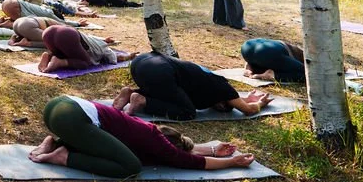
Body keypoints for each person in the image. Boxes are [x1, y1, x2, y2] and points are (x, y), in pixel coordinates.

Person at [29, 95, 257, 178]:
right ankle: (63, 156)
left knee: (104, 148)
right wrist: (231, 162)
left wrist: (213, 149)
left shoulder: (145, 131)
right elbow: (189, 161)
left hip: (60, 108)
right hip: (69, 118)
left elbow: (187, 151)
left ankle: (55, 143)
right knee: (130, 166)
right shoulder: (155, 139)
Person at [112, 52, 273, 120]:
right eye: (223, 107)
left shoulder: (212, 82)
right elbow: (248, 110)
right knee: (188, 112)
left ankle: (130, 93)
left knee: (169, 94)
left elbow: (168, 93)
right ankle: (142, 100)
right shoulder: (224, 88)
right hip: (159, 71)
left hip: (141, 62)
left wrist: (244, 98)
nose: (217, 108)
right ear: (223, 102)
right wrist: (260, 103)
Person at [34, 24, 134, 72]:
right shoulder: (105, 49)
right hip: (67, 35)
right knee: (85, 63)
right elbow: (116, 59)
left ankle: (49, 55)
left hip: (49, 31)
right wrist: (128, 57)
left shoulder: (95, 40)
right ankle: (59, 62)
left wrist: (105, 39)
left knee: (61, 53)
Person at [0, 0, 88, 29]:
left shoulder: (44, 9)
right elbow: (62, 23)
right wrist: (78, 24)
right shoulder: (49, 14)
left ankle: (5, 20)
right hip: (14, 6)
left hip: (9, 3)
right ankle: (9, 23)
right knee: (25, 21)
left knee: (21, 18)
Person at [241, 38, 305, 83]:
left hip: (246, 47)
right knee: (305, 75)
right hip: (268, 52)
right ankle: (272, 75)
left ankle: (249, 67)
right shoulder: (298, 55)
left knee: (263, 59)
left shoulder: (279, 46)